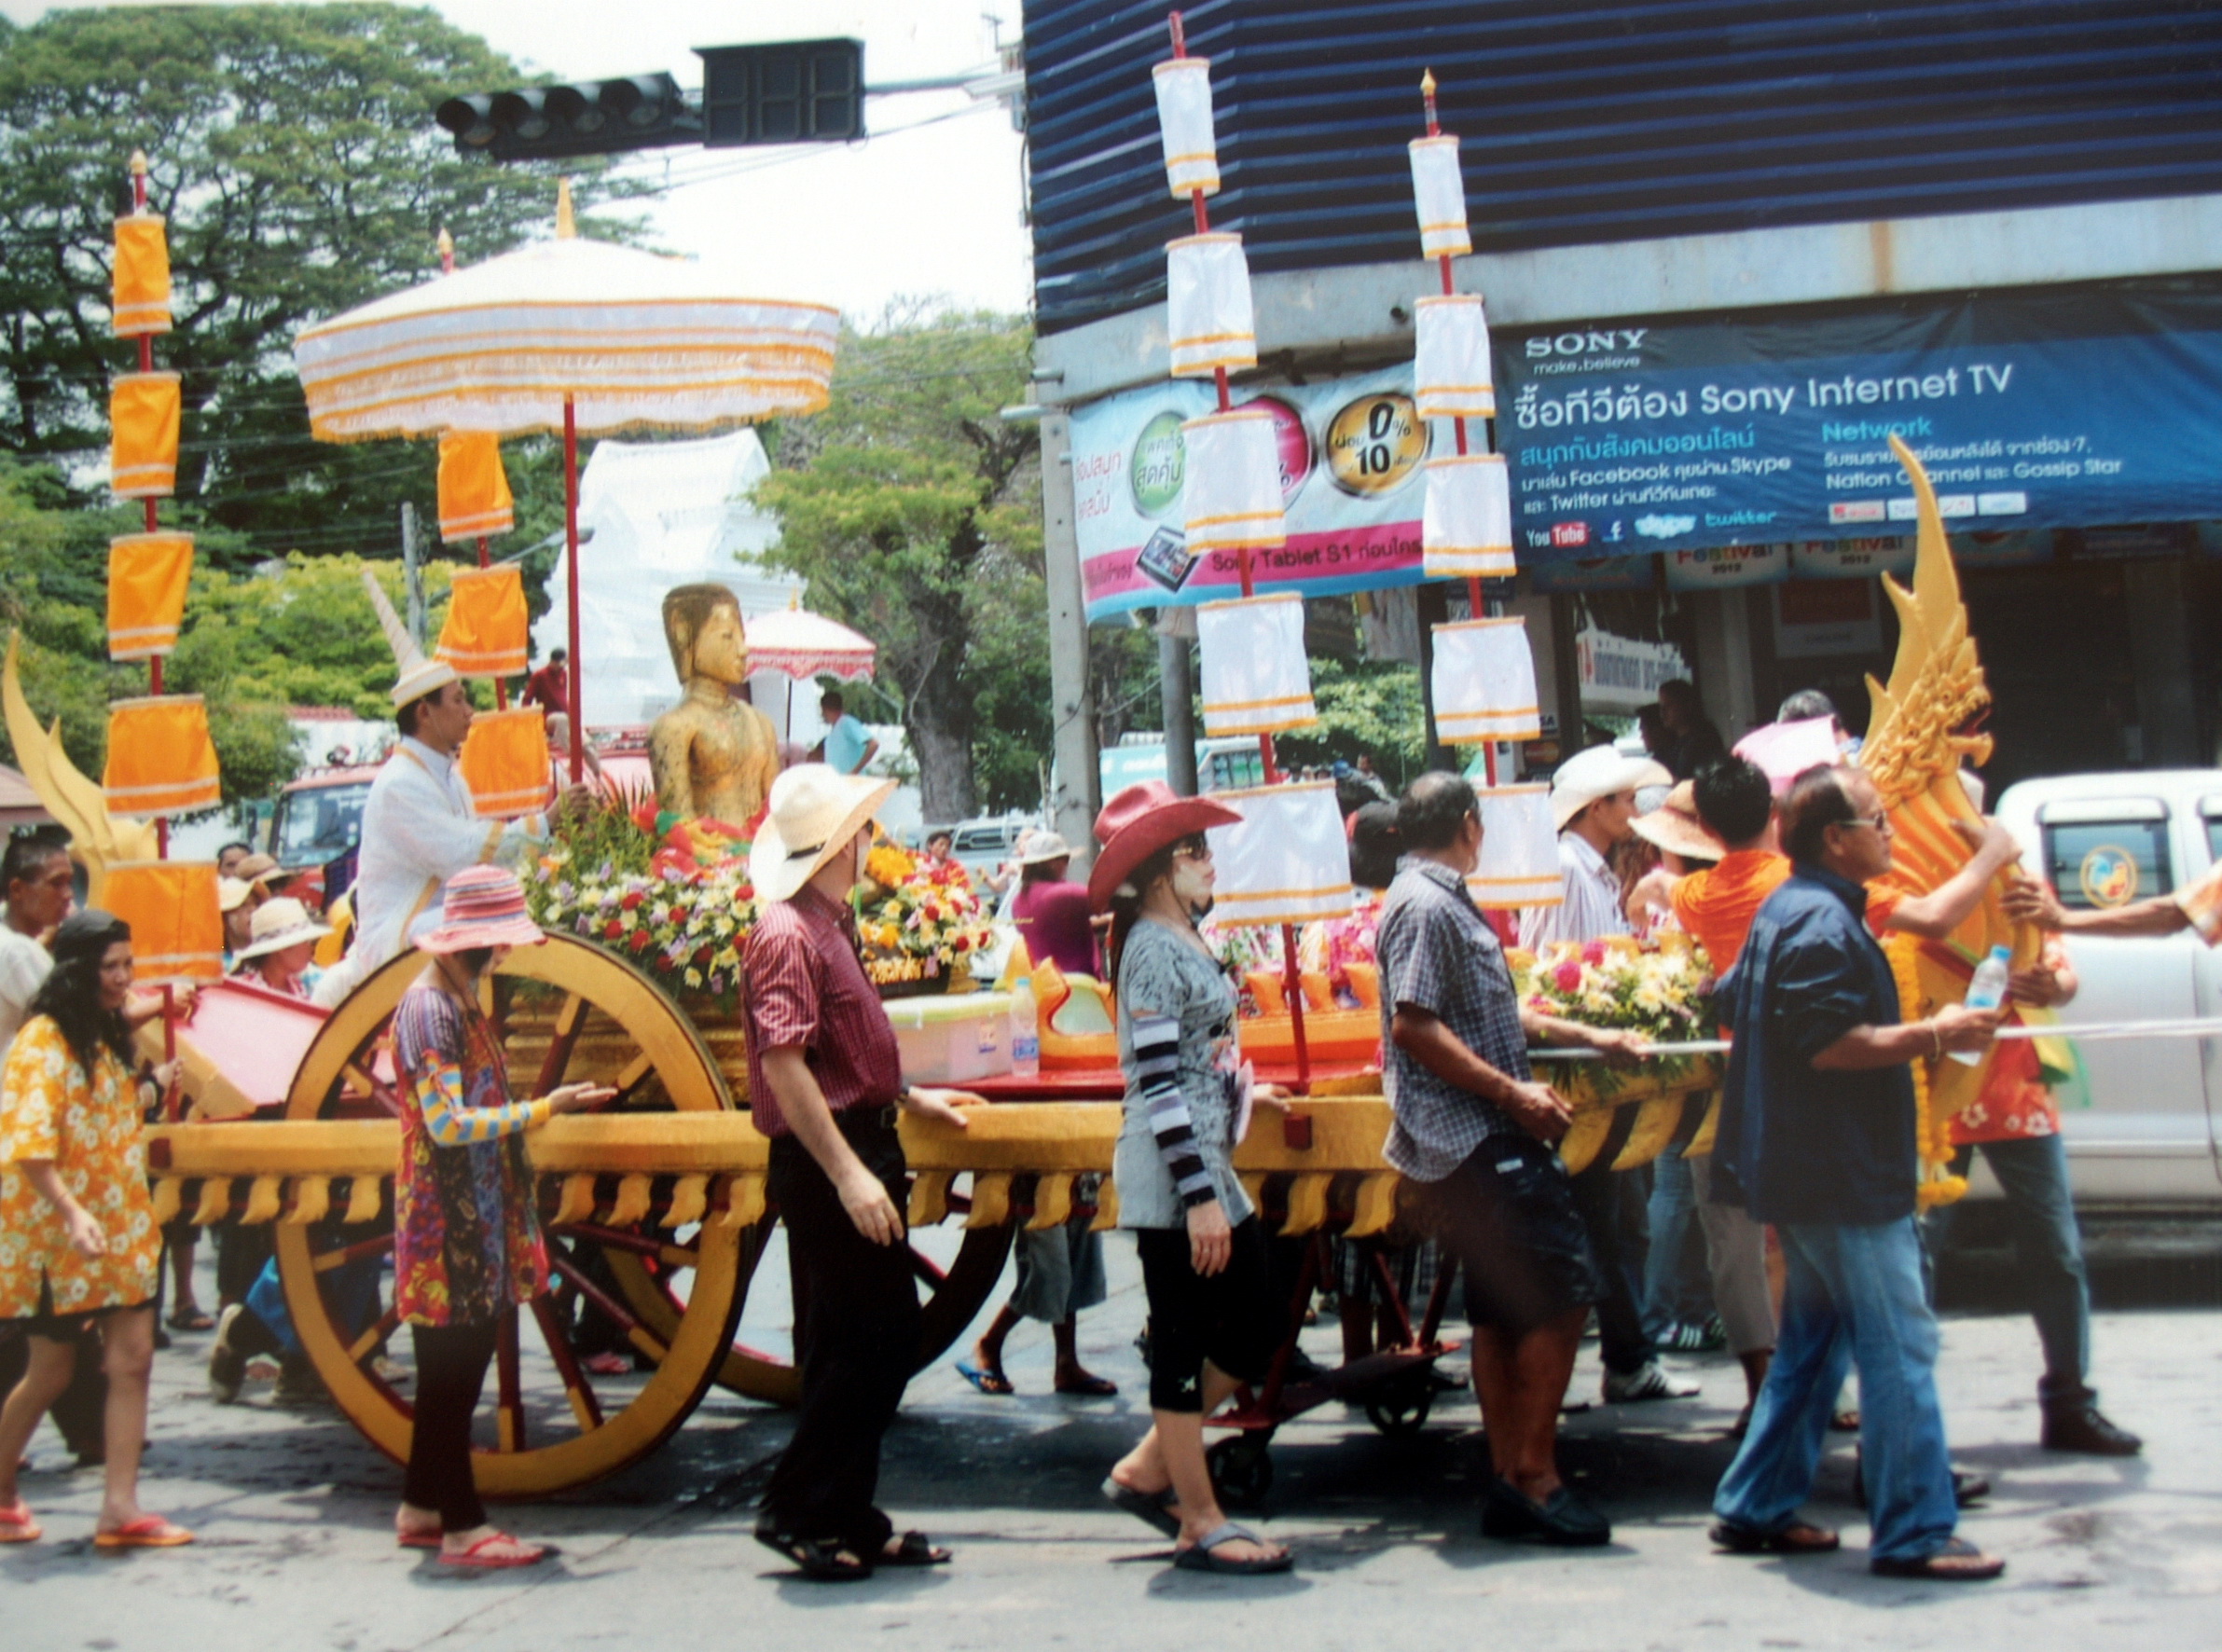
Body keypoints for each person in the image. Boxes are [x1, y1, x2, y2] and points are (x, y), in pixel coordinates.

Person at [1708, 764, 2006, 1580]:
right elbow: (1829, 1044)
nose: (1892, 833)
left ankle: (1755, 1502)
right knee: (1898, 1343)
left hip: (1810, 1175)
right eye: (1879, 821)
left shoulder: (1795, 911)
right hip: (1840, 1179)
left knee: (1814, 1342)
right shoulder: (1815, 923)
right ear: (1835, 839)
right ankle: (1912, 1530)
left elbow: (1726, 998)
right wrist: (1935, 1032)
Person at [1375, 772, 1647, 1545]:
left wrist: (1592, 1036)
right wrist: (1511, 1095)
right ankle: (1532, 1473)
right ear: (1468, 823)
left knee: (1499, 1309)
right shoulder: (1426, 904)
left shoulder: (1438, 895)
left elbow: (1491, 1008)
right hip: (1473, 1134)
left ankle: (1509, 1476)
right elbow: (1414, 1026)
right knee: (1565, 1289)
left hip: (1479, 1131)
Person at [743, 764, 979, 1581]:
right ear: (842, 844)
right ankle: (797, 1507)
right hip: (827, 1159)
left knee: (862, 1341)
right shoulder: (786, 932)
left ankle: (845, 1512)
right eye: (864, 831)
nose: (872, 842)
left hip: (861, 1143)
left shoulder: (825, 924)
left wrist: (910, 1096)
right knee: (873, 1341)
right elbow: (786, 1067)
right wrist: (847, 1174)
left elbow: (843, 1053)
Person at [1093, 780, 1292, 1575]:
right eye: (1192, 852)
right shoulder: (1147, 945)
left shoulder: (1184, 937)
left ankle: (1148, 1468)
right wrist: (1200, 1197)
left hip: (1207, 1162)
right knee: (1180, 1339)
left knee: (1257, 1325)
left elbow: (1197, 1057)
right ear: (1155, 871)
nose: (1209, 862)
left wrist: (1242, 1087)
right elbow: (1157, 1082)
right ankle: (1198, 1519)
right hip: (1176, 1172)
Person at [388, 866, 613, 1568]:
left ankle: (423, 1505)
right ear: (474, 943)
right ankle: (463, 1528)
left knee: (452, 1368)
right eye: (500, 943)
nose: (507, 955)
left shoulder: (454, 998)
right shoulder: (431, 1012)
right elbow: (448, 1125)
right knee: (454, 1373)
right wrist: (547, 1109)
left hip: (469, 1210)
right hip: (448, 1216)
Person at [0, 911, 190, 1549]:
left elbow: (110, 1111)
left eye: (127, 965)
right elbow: (30, 1144)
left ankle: (119, 1507)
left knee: (132, 1361)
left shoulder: (105, 1036)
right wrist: (71, 1212)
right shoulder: (42, 1041)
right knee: (50, 1370)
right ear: (80, 970)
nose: (123, 979)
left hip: (122, 1226)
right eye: (111, 967)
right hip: (60, 1235)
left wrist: (154, 1088)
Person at [1521, 745, 1693, 1406]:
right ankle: (1616, 1357)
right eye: (1623, 800)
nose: (1632, 811)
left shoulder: (1591, 872)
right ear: (1595, 808)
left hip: (1602, 1070)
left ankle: (1625, 1355)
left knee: (1620, 1222)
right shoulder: (1566, 869)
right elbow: (1550, 973)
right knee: (1603, 1222)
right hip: (1578, 1075)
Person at [323, 571, 578, 1008]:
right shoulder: (400, 786)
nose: (470, 712)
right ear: (425, 712)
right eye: (459, 700)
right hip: (400, 935)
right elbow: (463, 855)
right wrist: (544, 822)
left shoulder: (446, 774)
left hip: (433, 919)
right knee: (507, 917)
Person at [646, 585, 780, 826]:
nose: (743, 650)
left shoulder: (761, 723)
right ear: (683, 633)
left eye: (743, 637)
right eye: (728, 637)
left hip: (762, 853)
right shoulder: (674, 727)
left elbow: (775, 813)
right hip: (707, 857)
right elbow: (680, 828)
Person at [1008, 831, 1097, 978]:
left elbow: (1055, 928)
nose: (1067, 865)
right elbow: (1107, 898)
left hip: (1040, 986)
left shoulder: (1018, 901)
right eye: (1065, 860)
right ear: (1053, 864)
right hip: (1076, 985)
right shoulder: (1063, 894)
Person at [234, 897, 331, 999]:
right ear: (283, 948)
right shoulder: (245, 992)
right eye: (306, 941)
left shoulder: (299, 987)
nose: (310, 949)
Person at [1655, 680, 1727, 780]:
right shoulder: (1674, 744)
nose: (1663, 712)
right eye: (1661, 707)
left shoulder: (1702, 741)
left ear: (1687, 705)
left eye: (1669, 705)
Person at [818, 689, 879, 778]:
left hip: (852, 783)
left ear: (825, 709)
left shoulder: (847, 723)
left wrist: (855, 771)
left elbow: (874, 744)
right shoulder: (834, 731)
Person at [522, 647, 569, 717]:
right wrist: (528, 717)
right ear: (553, 661)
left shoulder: (563, 674)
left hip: (565, 713)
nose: (562, 667)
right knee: (561, 720)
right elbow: (527, 699)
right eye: (560, 664)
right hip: (548, 715)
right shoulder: (539, 675)